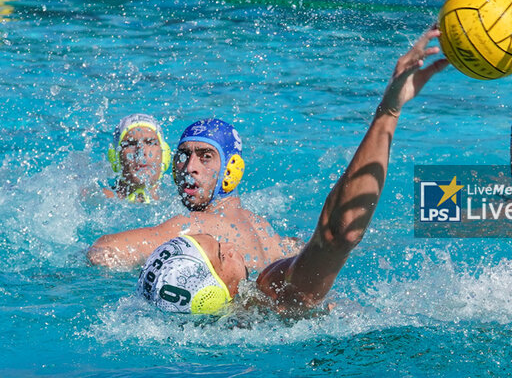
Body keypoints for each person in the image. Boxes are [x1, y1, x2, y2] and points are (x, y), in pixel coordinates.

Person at [134, 27, 446, 318]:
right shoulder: (272, 294)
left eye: (204, 156)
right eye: (219, 252)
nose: (229, 246)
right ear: (213, 289)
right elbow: (340, 234)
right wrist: (388, 112)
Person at [88, 117, 296, 271]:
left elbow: (105, 250)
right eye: (185, 155)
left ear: (231, 169)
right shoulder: (265, 230)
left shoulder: (194, 226)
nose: (189, 167)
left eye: (206, 156)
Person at [102, 114, 171, 203]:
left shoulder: (178, 203)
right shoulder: (96, 199)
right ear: (115, 157)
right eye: (131, 144)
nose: (141, 152)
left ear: (165, 155)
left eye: (150, 142)